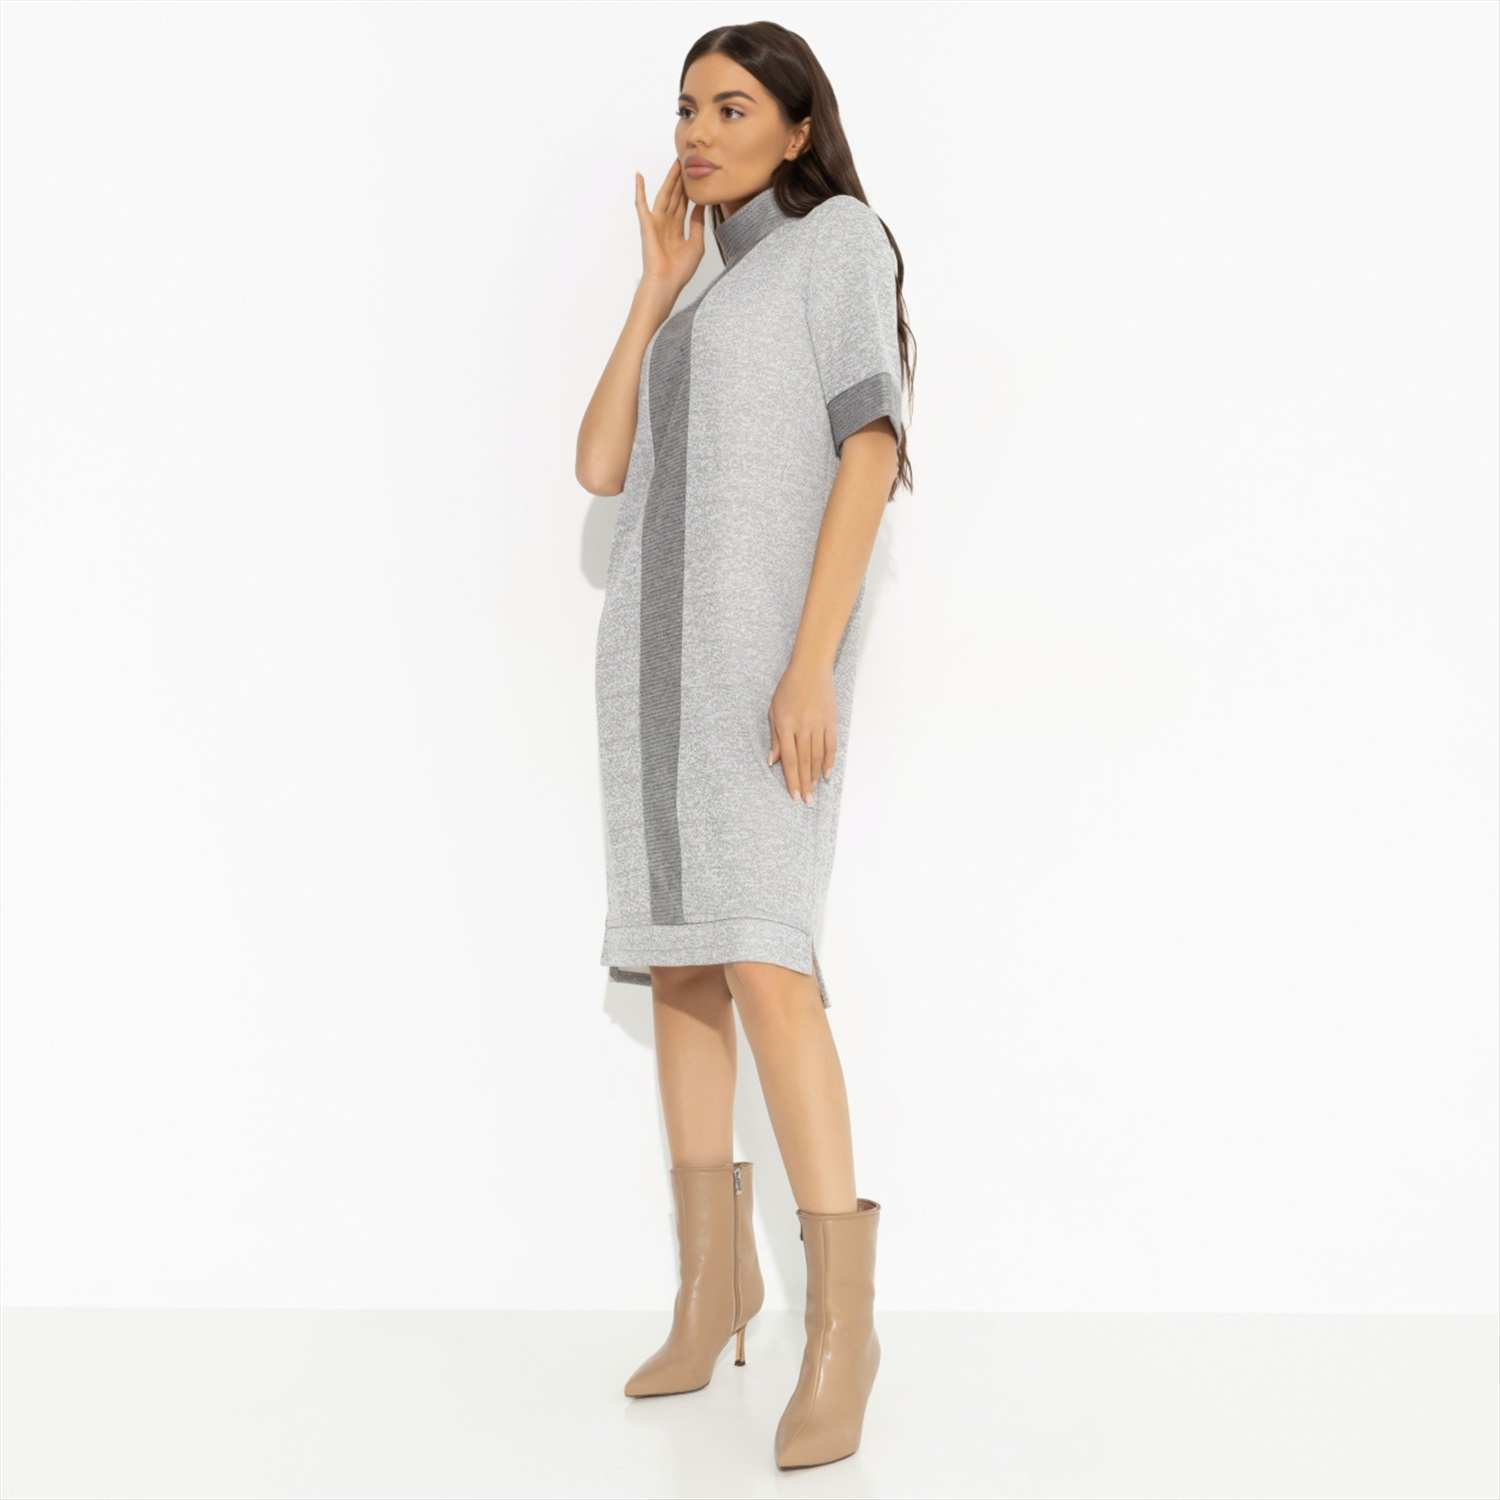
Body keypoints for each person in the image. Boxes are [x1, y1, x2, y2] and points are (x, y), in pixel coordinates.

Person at [575, 20, 914, 1472]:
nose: (697, 134)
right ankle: (711, 1293)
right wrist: (654, 289)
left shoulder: (838, 244)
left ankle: (843, 1336)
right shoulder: (701, 287)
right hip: (649, 679)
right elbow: (600, 466)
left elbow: (871, 450)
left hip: (760, 678)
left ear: (796, 126)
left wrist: (808, 664)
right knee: (684, 966)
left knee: (771, 966)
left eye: (730, 108)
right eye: (685, 110)